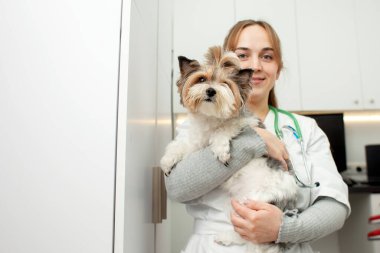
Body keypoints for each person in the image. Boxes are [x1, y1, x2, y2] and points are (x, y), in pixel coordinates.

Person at [165, 19, 350, 253]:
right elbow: (177, 188)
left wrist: (283, 229)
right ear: (224, 64)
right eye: (243, 55)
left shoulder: (306, 129)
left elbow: (335, 207)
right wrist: (254, 140)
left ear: (278, 69)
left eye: (267, 57)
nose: (255, 65)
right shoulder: (198, 124)